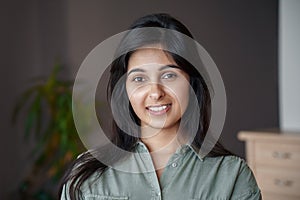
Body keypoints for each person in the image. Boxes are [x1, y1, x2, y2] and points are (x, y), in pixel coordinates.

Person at [60, 13, 261, 200]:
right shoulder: (87, 176)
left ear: (192, 83)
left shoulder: (233, 176)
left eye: (169, 75)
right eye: (139, 78)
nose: (155, 92)